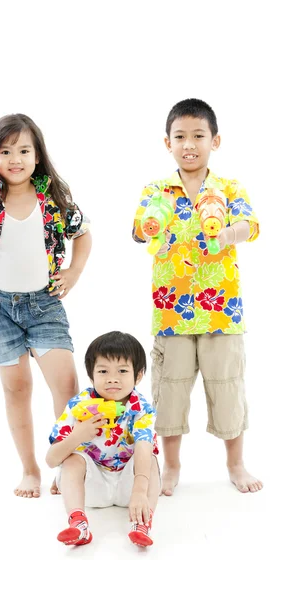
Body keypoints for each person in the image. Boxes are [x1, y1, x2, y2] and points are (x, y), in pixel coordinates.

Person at [0, 113, 91, 498]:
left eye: (24, 150)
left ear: (37, 156)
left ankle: (66, 463)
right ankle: (29, 470)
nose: (15, 159)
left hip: (45, 304)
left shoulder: (53, 197)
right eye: (5, 151)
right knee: (17, 390)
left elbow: (84, 233)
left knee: (67, 385)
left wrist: (73, 272)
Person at [132, 98, 263, 495]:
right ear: (167, 142)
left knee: (227, 386)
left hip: (221, 309)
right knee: (170, 389)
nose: (189, 144)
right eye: (180, 136)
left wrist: (227, 234)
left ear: (215, 140)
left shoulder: (228, 188)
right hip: (171, 310)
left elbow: (249, 225)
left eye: (198, 136)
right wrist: (152, 224)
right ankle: (170, 467)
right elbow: (139, 230)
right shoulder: (157, 189)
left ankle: (236, 464)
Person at [46, 331, 160, 547]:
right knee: (72, 458)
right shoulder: (78, 405)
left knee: (150, 458)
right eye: (103, 371)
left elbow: (144, 446)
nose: (112, 378)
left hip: (131, 489)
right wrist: (78, 435)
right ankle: (78, 524)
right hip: (92, 487)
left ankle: (142, 523)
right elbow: (51, 460)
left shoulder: (141, 408)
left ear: (139, 375)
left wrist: (138, 490)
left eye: (123, 371)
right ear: (91, 376)